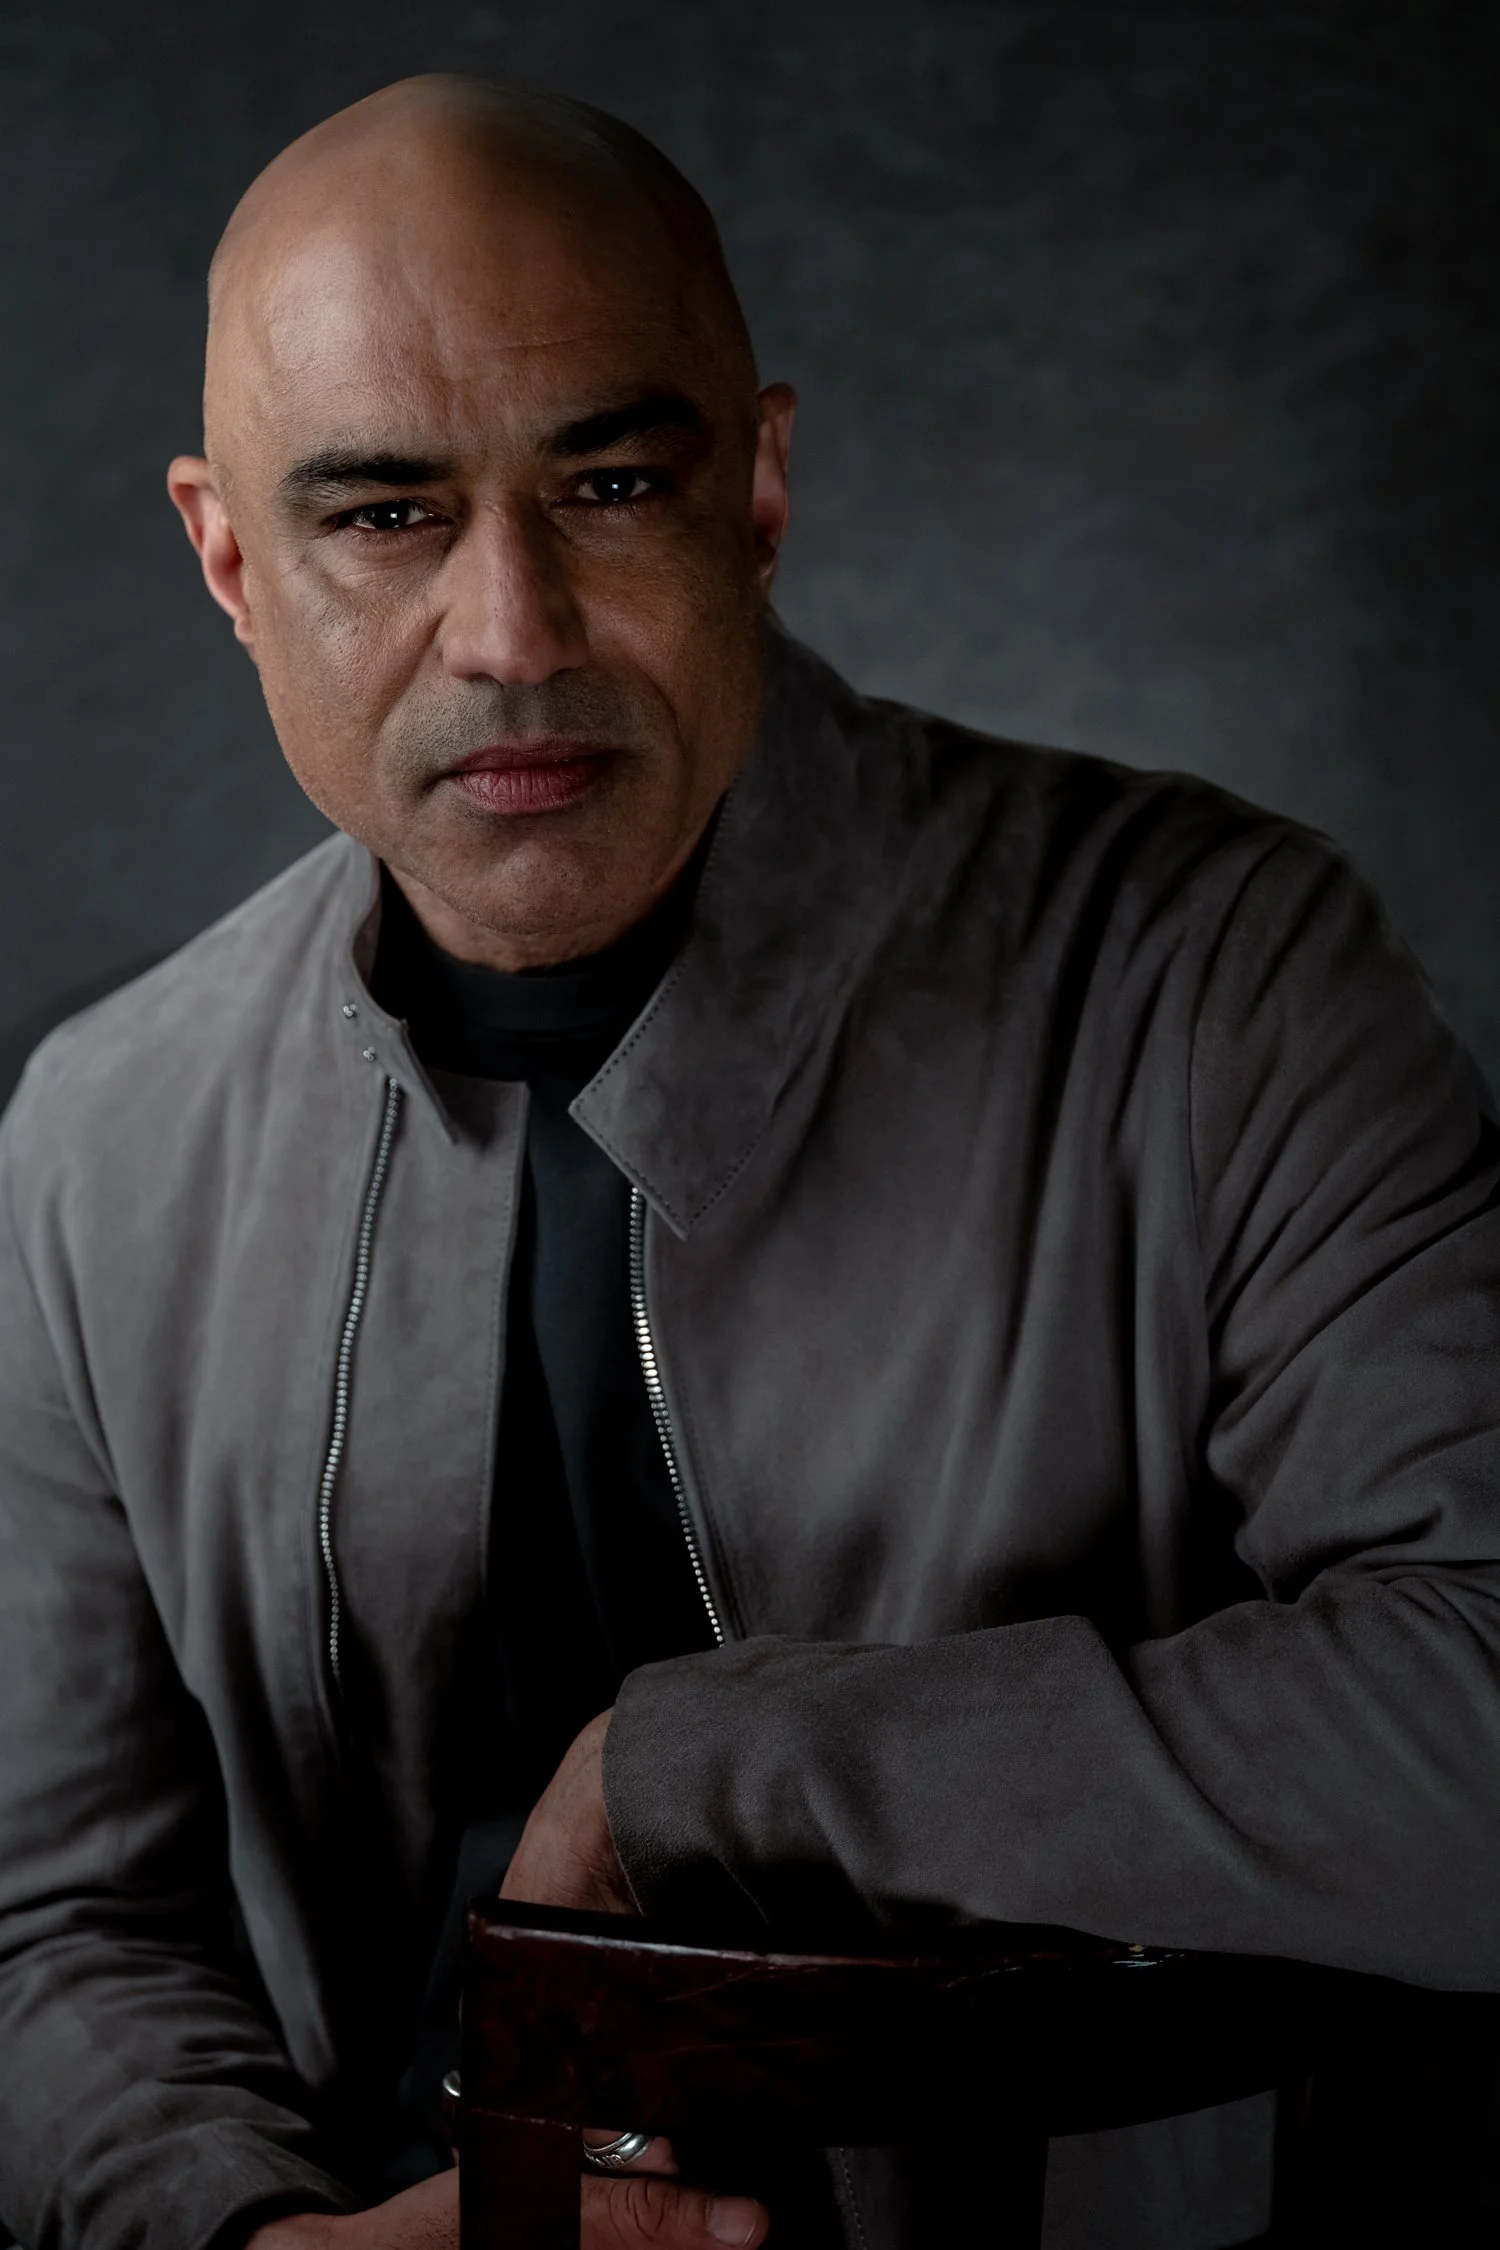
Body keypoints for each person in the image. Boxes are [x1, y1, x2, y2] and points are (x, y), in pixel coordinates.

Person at [0, 68, 1497, 2250]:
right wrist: (263, 2243)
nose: (511, 633)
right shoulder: (94, 1143)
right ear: (229, 557)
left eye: (610, 483)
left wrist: (702, 1770)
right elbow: (54, 1922)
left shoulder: (1214, 976)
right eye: (385, 516)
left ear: (761, 489)